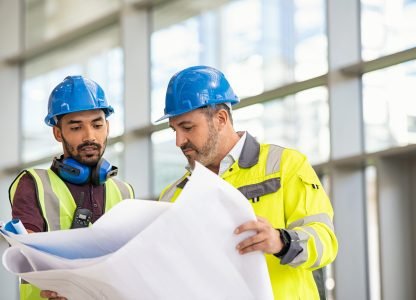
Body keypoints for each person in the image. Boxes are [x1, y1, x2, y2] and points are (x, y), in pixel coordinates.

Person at [157, 66, 338, 299]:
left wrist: (281, 241)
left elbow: (325, 241)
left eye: (188, 127)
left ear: (221, 119)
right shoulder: (172, 196)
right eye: (174, 130)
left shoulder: (285, 166)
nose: (179, 141)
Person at [9, 75, 135, 300]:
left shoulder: (125, 192)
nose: (90, 136)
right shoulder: (34, 184)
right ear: (58, 133)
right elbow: (28, 256)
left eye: (97, 125)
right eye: (76, 127)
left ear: (107, 127)